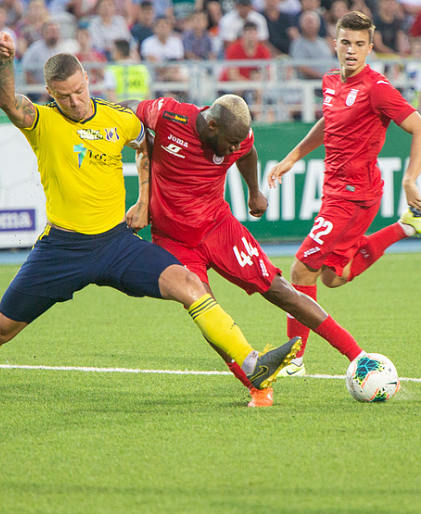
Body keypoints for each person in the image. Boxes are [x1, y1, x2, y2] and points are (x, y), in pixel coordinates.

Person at [0, 38, 300, 413]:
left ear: (87, 79)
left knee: (188, 286)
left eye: (80, 91)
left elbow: (145, 146)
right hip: (61, 250)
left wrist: (143, 200)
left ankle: (252, 365)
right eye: (65, 96)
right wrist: (5, 62)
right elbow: (9, 102)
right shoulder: (43, 123)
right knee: (0, 328)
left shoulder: (117, 119)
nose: (76, 102)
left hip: (116, 244)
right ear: (51, 94)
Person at [125, 94, 369, 407]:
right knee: (205, 311)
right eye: (230, 142)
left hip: (218, 227)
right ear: (212, 125)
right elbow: (131, 111)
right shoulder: (170, 115)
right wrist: (143, 198)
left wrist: (254, 191)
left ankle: (358, 356)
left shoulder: (238, 139)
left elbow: (247, 152)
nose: (234, 148)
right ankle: (257, 385)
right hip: (174, 238)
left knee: (279, 289)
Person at [267, 11, 421, 374]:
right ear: (335, 44)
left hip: (354, 196)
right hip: (336, 191)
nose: (351, 50)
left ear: (370, 47)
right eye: (345, 43)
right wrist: (293, 156)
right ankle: (407, 226)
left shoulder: (377, 88)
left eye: (359, 44)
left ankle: (294, 359)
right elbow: (328, 121)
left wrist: (410, 179)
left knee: (300, 271)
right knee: (332, 277)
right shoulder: (331, 81)